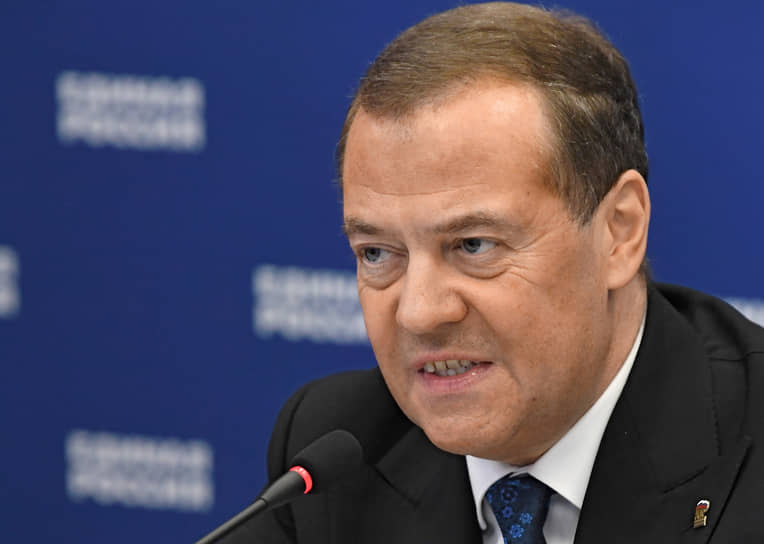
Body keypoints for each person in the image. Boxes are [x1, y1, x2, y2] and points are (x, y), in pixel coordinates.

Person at [230, 3, 764, 542]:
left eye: (473, 245)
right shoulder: (335, 450)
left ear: (617, 232)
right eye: (376, 253)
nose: (419, 313)